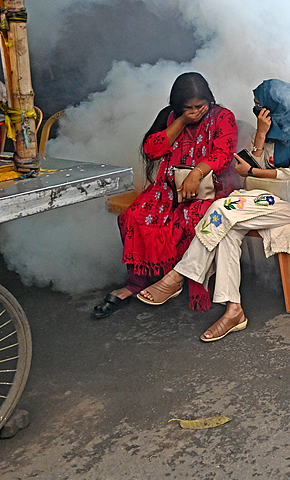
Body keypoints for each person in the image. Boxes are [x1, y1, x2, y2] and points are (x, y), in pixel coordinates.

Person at [136, 79, 290, 342]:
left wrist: (252, 171)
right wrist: (260, 136)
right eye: (256, 107)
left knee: (221, 207)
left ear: (276, 105)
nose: (257, 112)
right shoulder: (269, 128)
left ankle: (180, 274)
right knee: (226, 231)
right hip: (262, 199)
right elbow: (255, 162)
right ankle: (233, 310)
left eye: (260, 107)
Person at [92, 72, 239, 319]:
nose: (195, 112)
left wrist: (196, 174)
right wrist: (180, 121)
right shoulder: (172, 118)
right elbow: (151, 151)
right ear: (178, 107)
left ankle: (176, 280)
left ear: (209, 101)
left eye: (200, 106)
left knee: (188, 220)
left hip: (210, 190)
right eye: (188, 108)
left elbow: (223, 154)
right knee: (136, 216)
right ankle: (136, 283)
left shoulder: (223, 117)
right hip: (167, 188)